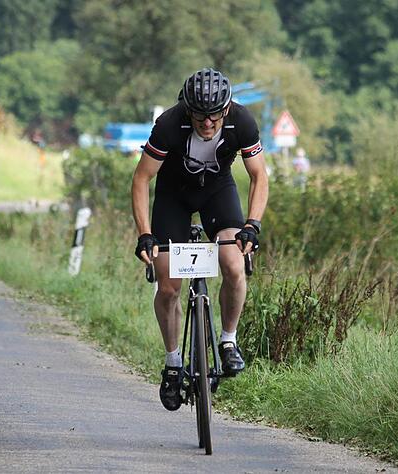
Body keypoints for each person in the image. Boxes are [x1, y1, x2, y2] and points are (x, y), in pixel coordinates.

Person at [131, 68, 269, 411]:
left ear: (227, 108)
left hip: (217, 193)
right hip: (173, 197)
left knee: (234, 264)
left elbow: (259, 176)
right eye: (199, 115)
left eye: (214, 115)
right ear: (187, 108)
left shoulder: (242, 121)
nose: (207, 123)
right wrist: (145, 234)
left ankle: (228, 341)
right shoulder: (168, 124)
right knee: (168, 287)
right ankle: (173, 363)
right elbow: (142, 179)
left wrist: (252, 224)